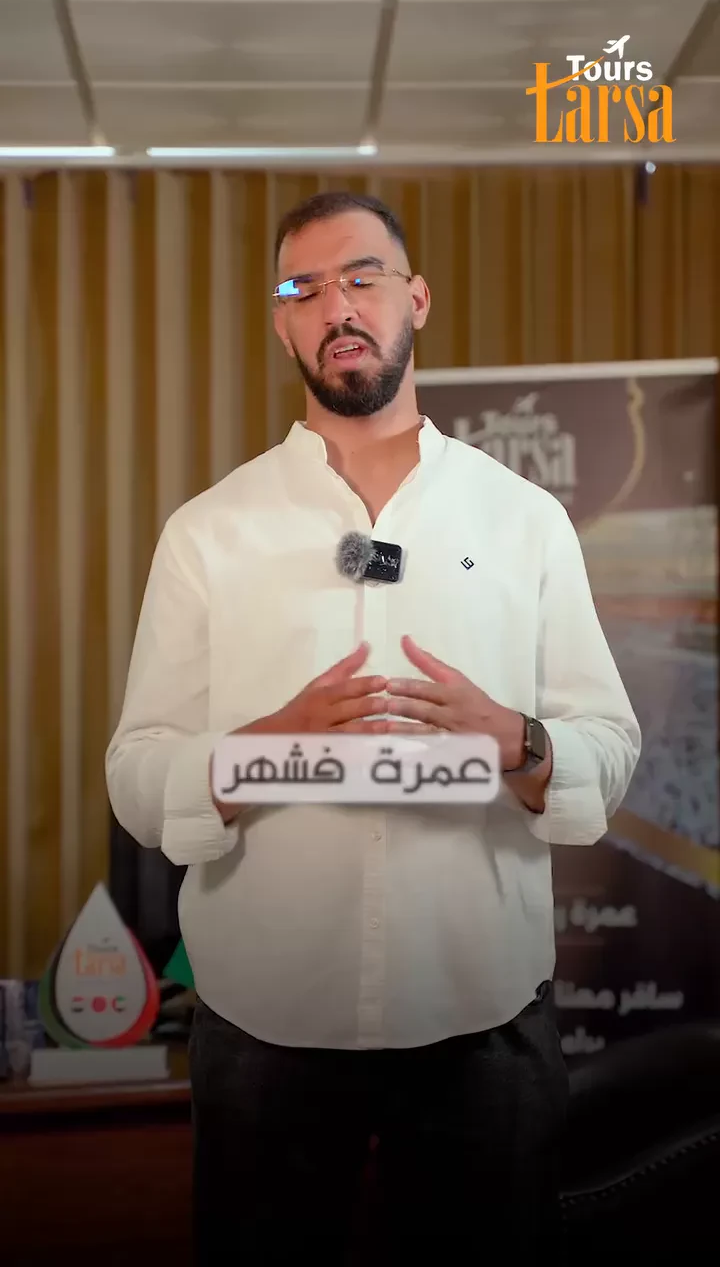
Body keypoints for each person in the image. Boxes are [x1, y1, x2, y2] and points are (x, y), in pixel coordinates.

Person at [106, 190, 641, 1265]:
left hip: (485, 1027)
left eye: (362, 277)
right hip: (264, 1034)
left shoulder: (523, 520)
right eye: (303, 288)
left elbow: (610, 742)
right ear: (282, 323)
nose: (336, 306)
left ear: (417, 299)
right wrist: (267, 746)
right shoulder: (210, 532)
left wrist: (518, 740)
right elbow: (137, 773)